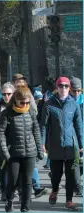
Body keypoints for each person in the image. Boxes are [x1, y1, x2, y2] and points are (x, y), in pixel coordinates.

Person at [0, 86, 43, 212]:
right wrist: (5, 152)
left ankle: (25, 208)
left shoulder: (31, 112)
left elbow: (36, 131)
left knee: (28, 182)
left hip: (30, 151)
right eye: (22, 102)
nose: (24, 105)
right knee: (13, 181)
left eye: (27, 102)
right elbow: (0, 134)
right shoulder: (6, 114)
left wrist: (40, 150)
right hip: (13, 153)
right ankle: (9, 200)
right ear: (15, 101)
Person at [40, 76, 83, 211]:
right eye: (61, 86)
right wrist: (42, 143)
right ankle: (54, 190)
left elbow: (79, 125)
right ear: (57, 88)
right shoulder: (49, 104)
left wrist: (82, 144)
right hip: (55, 145)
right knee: (56, 174)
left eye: (66, 86)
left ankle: (69, 201)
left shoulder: (74, 104)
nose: (63, 88)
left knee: (70, 175)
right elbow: (44, 125)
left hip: (70, 145)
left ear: (69, 88)